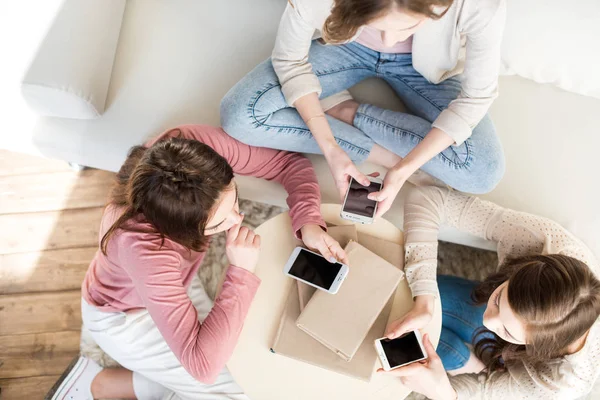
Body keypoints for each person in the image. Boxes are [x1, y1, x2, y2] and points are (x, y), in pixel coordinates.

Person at [45, 125, 347, 400]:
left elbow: (288, 163)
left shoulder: (190, 149)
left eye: (234, 200)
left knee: (248, 359)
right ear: (177, 230)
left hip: (175, 286)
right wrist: (240, 272)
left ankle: (117, 385)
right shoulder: (143, 248)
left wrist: (309, 222)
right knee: (247, 388)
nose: (238, 220)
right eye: (217, 225)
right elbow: (203, 366)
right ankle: (100, 386)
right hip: (126, 319)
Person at [220, 0, 506, 218]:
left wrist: (405, 167)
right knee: (238, 116)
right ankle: (347, 121)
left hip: (425, 71)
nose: (389, 42)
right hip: (345, 48)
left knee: (483, 172)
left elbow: (477, 97)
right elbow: (291, 61)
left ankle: (347, 112)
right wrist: (331, 147)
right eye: (376, 25)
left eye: (408, 26)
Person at [382, 185, 600, 399]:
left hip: (535, 368)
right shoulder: (541, 240)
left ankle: (472, 364)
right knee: (404, 304)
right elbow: (426, 197)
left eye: (507, 331)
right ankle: (469, 361)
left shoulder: (562, 383)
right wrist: (424, 300)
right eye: (498, 299)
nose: (487, 322)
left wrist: (444, 392)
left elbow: (484, 393)